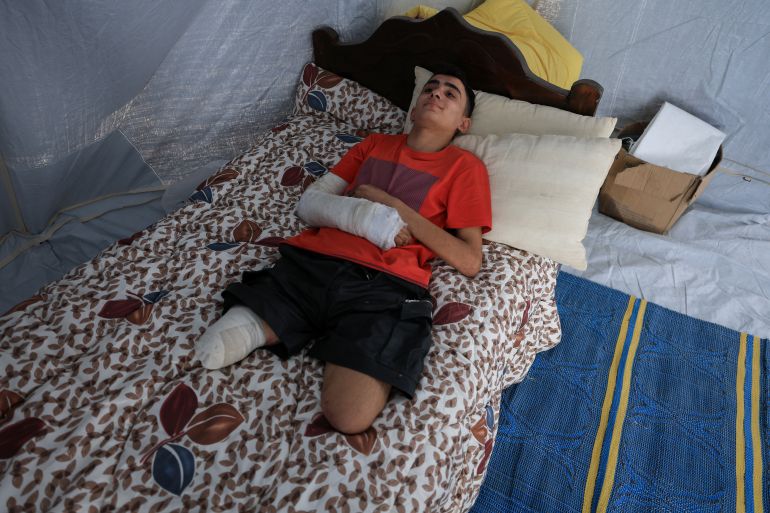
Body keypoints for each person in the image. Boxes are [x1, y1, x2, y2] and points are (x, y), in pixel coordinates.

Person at [195, 64, 491, 434]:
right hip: (312, 264)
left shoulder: (465, 168)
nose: (437, 94)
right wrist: (361, 212)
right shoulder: (374, 145)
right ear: (413, 111)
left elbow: (470, 260)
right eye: (431, 88)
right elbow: (312, 202)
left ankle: (306, 329)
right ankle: (278, 324)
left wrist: (389, 206)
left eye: (451, 93)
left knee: (349, 416)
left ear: (463, 123)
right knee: (220, 342)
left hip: (385, 287)